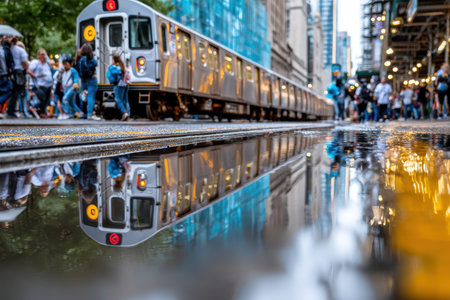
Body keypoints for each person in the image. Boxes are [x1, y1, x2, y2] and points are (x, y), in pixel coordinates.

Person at [7, 37, 29, 118]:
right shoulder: (20, 50)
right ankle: (12, 111)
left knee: (12, 92)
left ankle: (11, 110)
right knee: (17, 92)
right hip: (18, 72)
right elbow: (24, 63)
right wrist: (26, 69)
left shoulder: (8, 49)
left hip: (9, 72)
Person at [28, 49, 54, 117]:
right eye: (41, 54)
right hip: (37, 85)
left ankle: (41, 112)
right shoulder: (35, 62)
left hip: (47, 86)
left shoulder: (46, 64)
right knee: (43, 97)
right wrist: (35, 76)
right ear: (38, 55)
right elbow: (29, 70)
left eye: (44, 54)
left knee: (46, 100)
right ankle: (33, 108)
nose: (43, 56)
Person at [78, 43, 100, 120]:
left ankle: (84, 113)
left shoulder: (80, 60)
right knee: (91, 97)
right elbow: (95, 65)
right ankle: (90, 114)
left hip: (84, 80)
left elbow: (80, 72)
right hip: (92, 80)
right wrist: (91, 74)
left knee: (85, 96)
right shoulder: (93, 60)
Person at [107, 54, 130, 121]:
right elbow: (128, 77)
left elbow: (108, 75)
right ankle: (128, 113)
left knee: (118, 100)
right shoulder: (122, 66)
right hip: (125, 84)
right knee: (125, 100)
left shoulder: (112, 67)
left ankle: (124, 113)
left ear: (113, 59)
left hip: (118, 85)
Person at [0, 35, 14, 117]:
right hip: (3, 74)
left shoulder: (4, 49)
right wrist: (8, 72)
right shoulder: (4, 49)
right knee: (9, 90)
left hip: (3, 74)